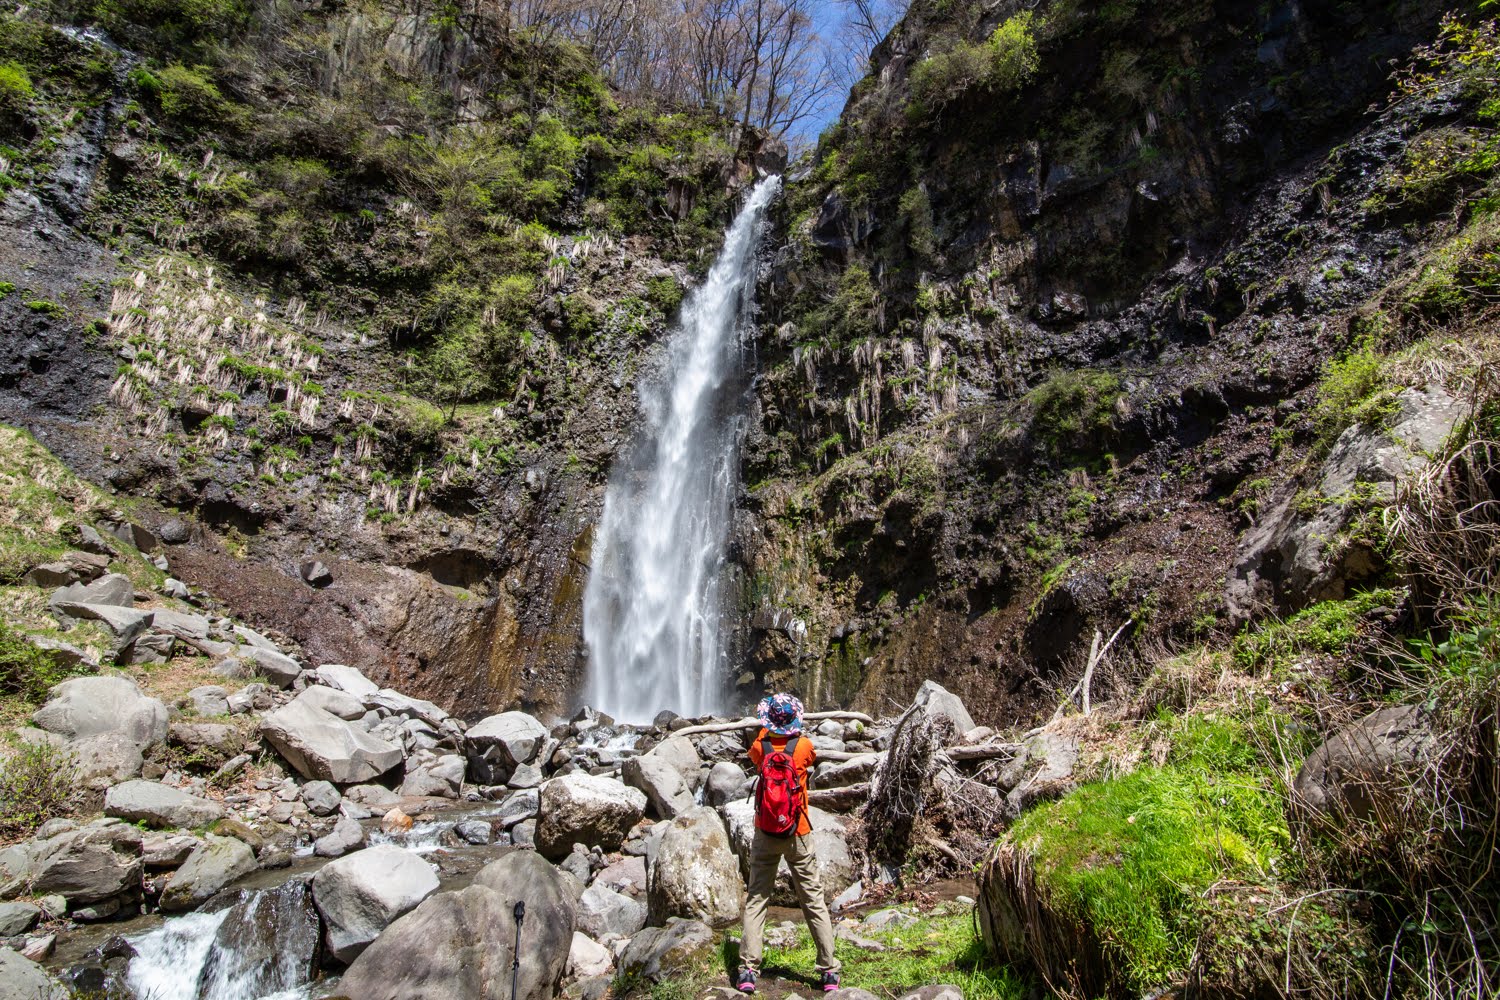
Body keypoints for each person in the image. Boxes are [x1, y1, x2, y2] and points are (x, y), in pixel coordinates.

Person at [735, 693, 842, 994]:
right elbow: (810, 762)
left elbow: (756, 756)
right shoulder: (804, 746)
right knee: (813, 899)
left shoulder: (760, 744)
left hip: (766, 832)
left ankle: (748, 969)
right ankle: (829, 970)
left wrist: (767, 735)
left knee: (757, 897)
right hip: (798, 831)